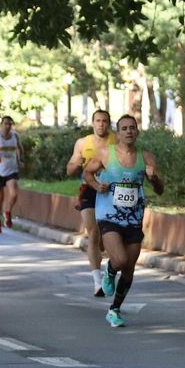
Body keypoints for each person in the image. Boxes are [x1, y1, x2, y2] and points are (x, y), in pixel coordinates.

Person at [85, 114, 164, 327]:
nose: (129, 131)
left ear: (137, 131)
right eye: (124, 128)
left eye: (132, 128)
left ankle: (115, 309)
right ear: (117, 133)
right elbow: (87, 173)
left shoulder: (146, 157)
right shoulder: (105, 154)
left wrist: (154, 178)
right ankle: (110, 272)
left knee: (129, 268)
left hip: (134, 217)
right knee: (119, 260)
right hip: (108, 215)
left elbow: (160, 190)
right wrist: (96, 185)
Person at [66, 111, 115, 296]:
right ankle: (97, 281)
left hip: (110, 190)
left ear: (109, 123)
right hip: (88, 190)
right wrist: (76, 165)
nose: (101, 124)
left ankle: (107, 266)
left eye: (104, 121)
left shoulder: (116, 141)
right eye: (98, 121)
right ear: (93, 123)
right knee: (93, 232)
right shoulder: (82, 143)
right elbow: (69, 169)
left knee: (105, 234)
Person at [0, 115, 21, 232]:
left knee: (14, 193)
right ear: (1, 124)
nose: (7, 126)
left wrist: (20, 160)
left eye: (9, 124)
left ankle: (8, 211)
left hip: (12, 169)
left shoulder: (15, 135)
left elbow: (19, 149)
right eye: (5, 123)